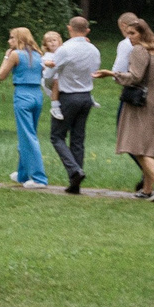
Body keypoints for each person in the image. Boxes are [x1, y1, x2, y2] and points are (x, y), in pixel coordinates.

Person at [112, 17, 154, 201]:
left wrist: (113, 75)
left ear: (142, 33)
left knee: (137, 146)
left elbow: (134, 77)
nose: (129, 37)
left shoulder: (139, 50)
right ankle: (147, 189)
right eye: (128, 33)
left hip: (139, 101)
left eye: (133, 33)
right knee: (148, 143)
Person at [49, 17, 102, 194]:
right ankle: (75, 184)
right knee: (78, 139)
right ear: (87, 30)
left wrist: (49, 86)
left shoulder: (65, 49)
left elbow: (51, 73)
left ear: (69, 28)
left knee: (57, 136)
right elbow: (94, 70)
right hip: (86, 96)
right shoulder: (94, 50)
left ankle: (74, 171)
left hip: (68, 96)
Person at [0, 27, 47, 188]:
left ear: (19, 39)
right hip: (37, 95)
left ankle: (39, 178)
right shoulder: (38, 54)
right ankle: (23, 174)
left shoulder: (15, 54)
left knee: (28, 136)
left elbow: (1, 75)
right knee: (28, 134)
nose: (9, 41)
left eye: (11, 37)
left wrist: (6, 55)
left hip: (22, 94)